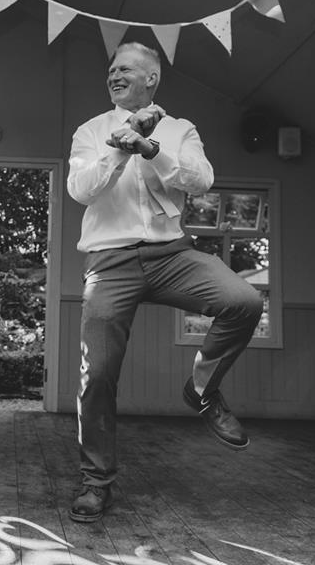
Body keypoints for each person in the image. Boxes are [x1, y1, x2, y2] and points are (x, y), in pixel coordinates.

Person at [66, 42, 264, 523]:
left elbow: (200, 181)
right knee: (97, 378)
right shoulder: (91, 130)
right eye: (111, 68)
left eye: (126, 69)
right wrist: (122, 144)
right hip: (109, 261)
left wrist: (152, 149)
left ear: (152, 78)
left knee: (243, 300)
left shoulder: (181, 130)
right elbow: (81, 189)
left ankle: (201, 390)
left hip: (171, 252)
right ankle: (96, 482)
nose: (114, 75)